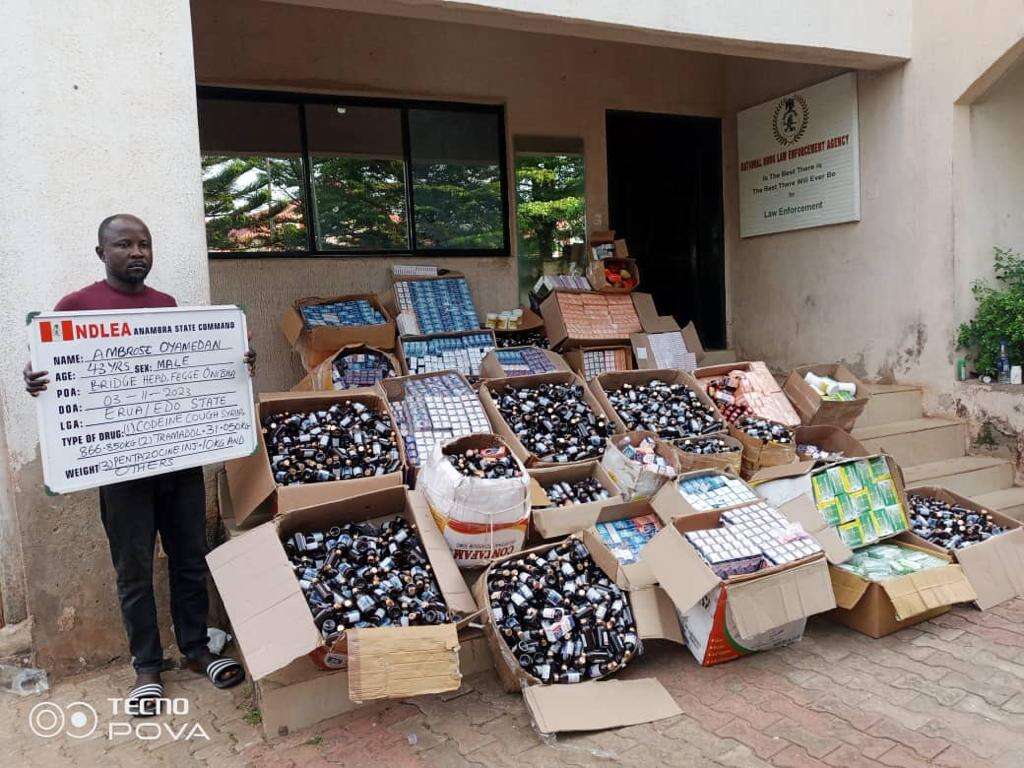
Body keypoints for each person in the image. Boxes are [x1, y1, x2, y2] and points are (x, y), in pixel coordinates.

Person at [24, 214, 255, 717]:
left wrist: (232, 363)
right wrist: (36, 381)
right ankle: (146, 669)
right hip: (121, 474)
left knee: (190, 558)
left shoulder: (166, 308)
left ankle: (196, 650)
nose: (136, 252)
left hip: (179, 463)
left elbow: (186, 373)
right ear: (101, 252)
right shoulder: (75, 309)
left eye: (144, 244)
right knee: (133, 571)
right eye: (124, 244)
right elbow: (51, 367)